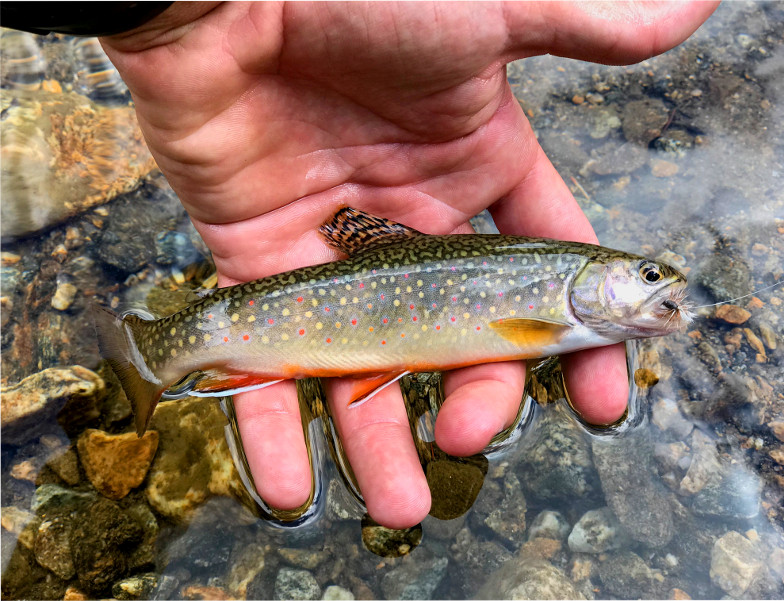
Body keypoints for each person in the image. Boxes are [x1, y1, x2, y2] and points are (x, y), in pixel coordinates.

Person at [7, 1, 718, 529]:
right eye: (648, 277)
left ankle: (154, 354)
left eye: (653, 280)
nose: (661, 288)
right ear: (590, 277)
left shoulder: (562, 301)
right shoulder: (549, 312)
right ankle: (147, 356)